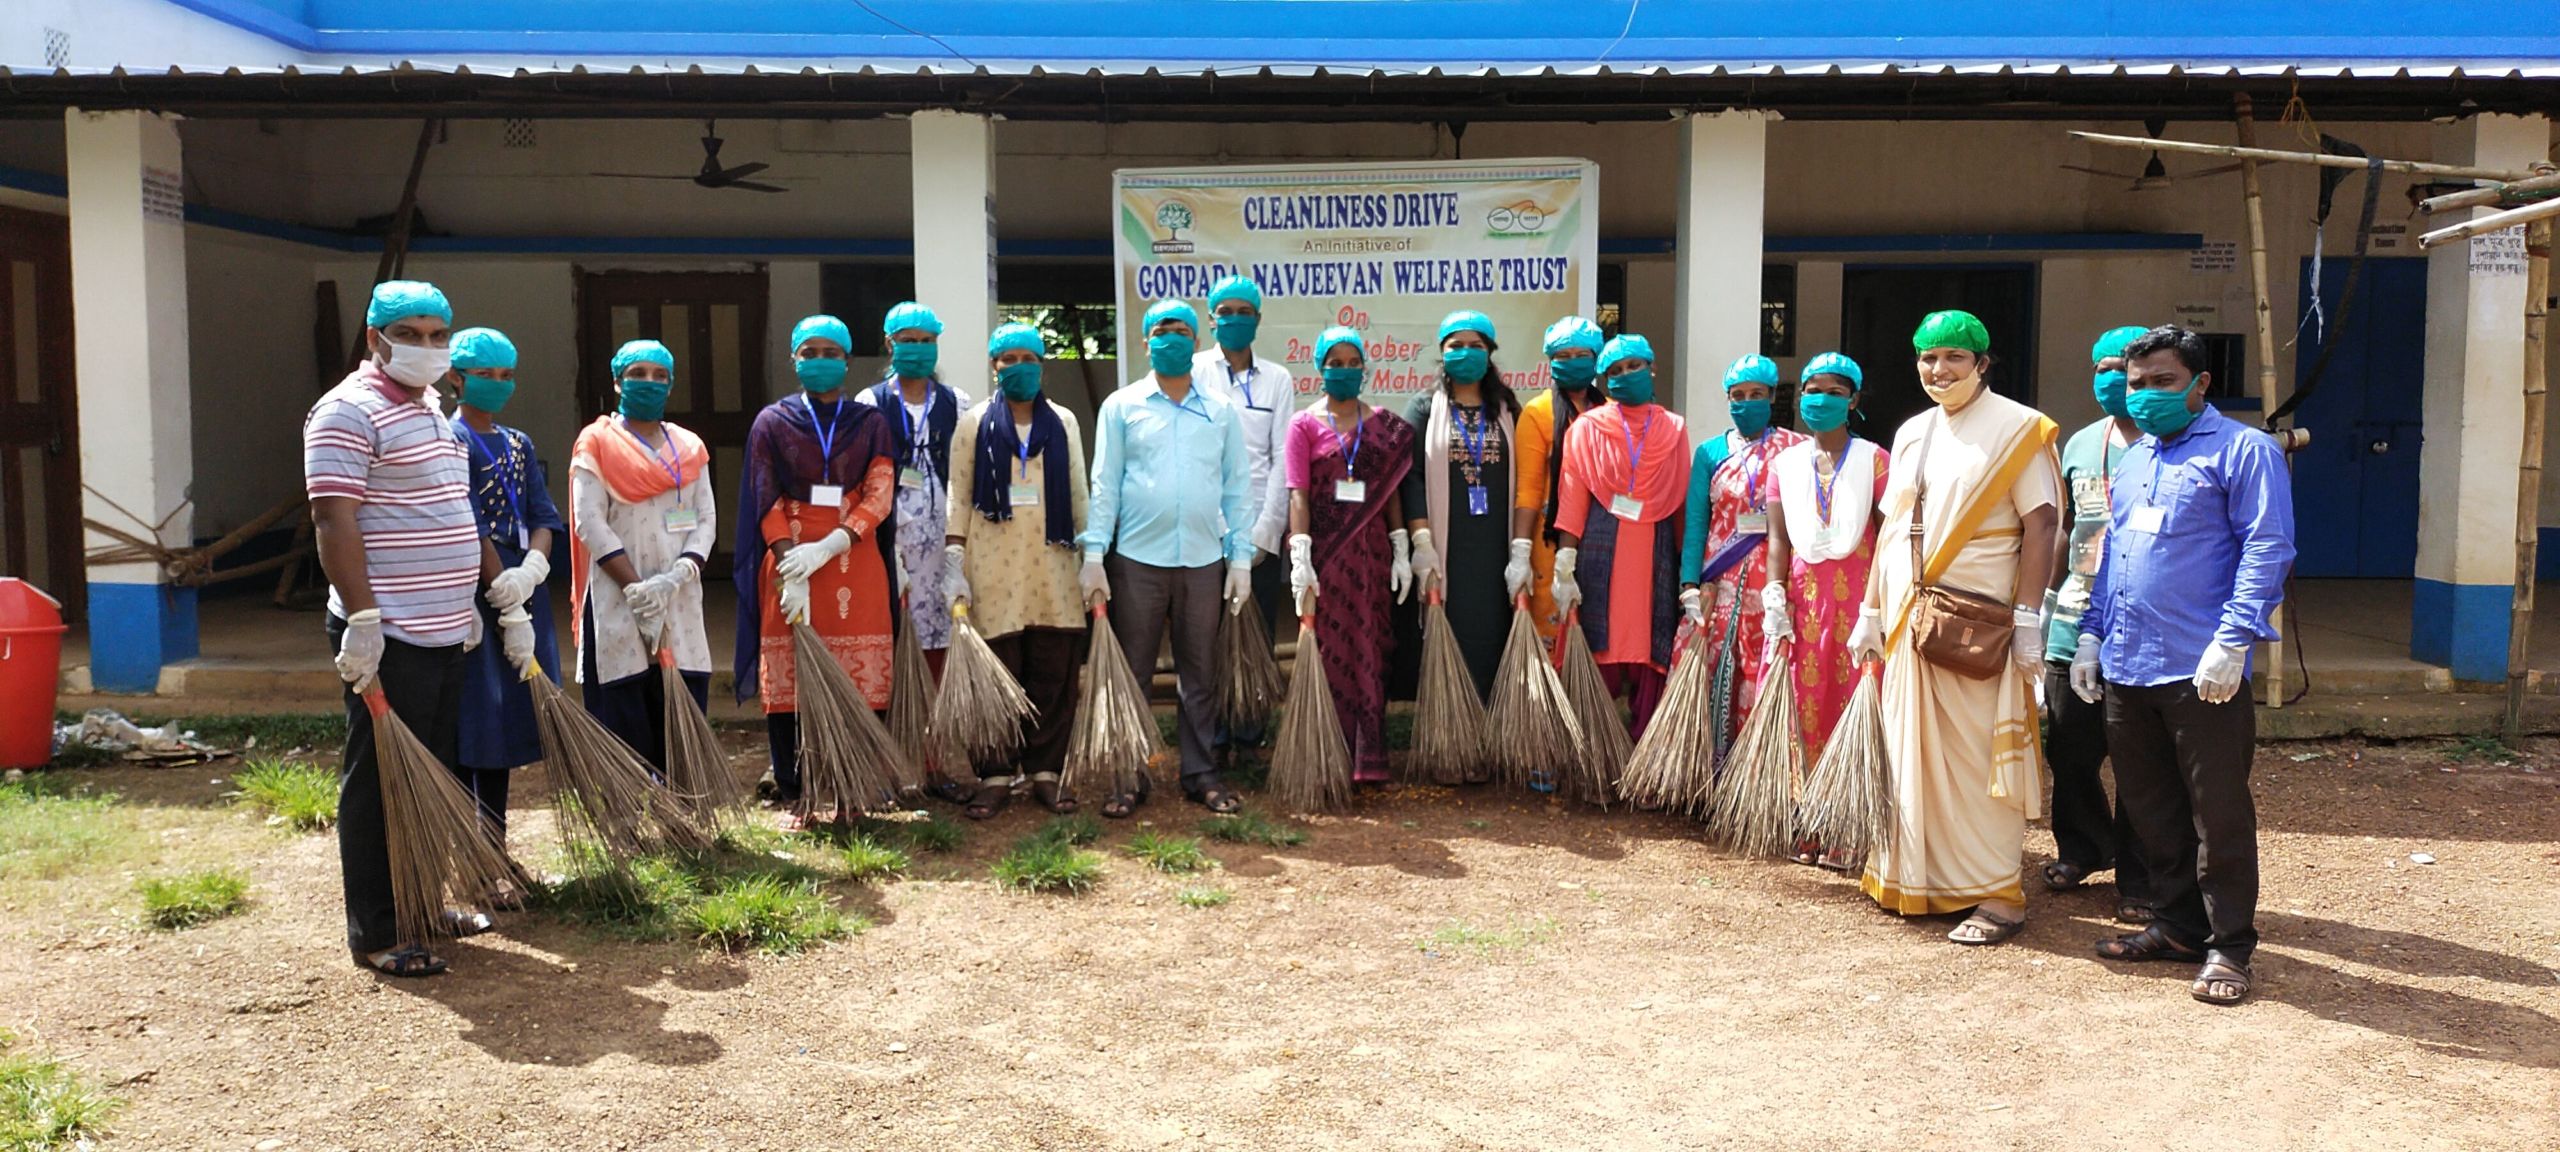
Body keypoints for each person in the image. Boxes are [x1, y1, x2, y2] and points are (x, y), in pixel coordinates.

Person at [2075, 324, 2295, 1007]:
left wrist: (2235, 641)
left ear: (2200, 384)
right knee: (2150, 809)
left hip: (2201, 667)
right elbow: (2110, 556)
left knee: (2218, 813)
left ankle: (2229, 946)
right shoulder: (2137, 458)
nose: (2144, 396)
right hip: (2128, 665)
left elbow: (2268, 548)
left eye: (2162, 383)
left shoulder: (2244, 451)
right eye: (2136, 385)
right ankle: (2175, 927)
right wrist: (2089, 634)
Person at [304, 279, 502, 978]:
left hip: (446, 628)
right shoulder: (345, 413)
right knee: (380, 782)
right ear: (374, 339)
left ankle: (424, 901)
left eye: (436, 335)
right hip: (389, 633)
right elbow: (334, 520)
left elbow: (453, 510)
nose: (425, 347)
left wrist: (480, 597)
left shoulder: (432, 408)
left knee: (435, 772)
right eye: (409, 334)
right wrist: (361, 619)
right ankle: (380, 931)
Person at [1847, 310, 2060, 946]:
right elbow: (1891, 527)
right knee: (1909, 749)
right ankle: (1918, 875)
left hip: (1977, 620)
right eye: (1928, 359)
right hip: (1910, 616)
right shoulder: (1912, 432)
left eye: (1954, 360)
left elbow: (2042, 524)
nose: (1939, 371)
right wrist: (1870, 609)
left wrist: (2028, 619)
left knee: (1976, 757)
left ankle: (1997, 893)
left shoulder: (2021, 429)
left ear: (1982, 364)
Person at [1082, 298, 1256, 816]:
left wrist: (1240, 556)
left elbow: (1237, 488)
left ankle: (1200, 773)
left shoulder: (1220, 410)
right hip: (1136, 559)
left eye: (1181, 330)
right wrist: (1095, 552)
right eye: (1161, 330)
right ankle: (1128, 777)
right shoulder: (1122, 405)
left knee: (1198, 675)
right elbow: (1105, 482)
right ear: (1144, 342)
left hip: (1204, 560)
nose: (1172, 337)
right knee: (1132, 674)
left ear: (1197, 342)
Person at [734, 314, 900, 818]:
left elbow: (882, 491)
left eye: (831, 353)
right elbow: (764, 498)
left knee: (863, 680)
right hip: (790, 562)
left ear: (847, 361)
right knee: (789, 687)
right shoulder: (772, 422)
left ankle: (858, 789)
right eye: (810, 352)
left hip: (855, 558)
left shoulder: (870, 423)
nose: (820, 361)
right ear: (794, 359)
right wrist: (791, 564)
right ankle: (797, 793)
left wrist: (833, 543)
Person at [944, 322, 1090, 819]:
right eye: (1010, 360)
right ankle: (995, 774)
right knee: (996, 670)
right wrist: (953, 561)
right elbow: (959, 493)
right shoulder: (973, 423)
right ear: (995, 366)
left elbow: (1077, 491)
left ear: (1042, 364)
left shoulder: (1064, 422)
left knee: (1054, 669)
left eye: (1031, 359)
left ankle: (1047, 771)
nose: (1021, 368)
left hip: (1053, 566)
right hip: (991, 568)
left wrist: (1092, 559)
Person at [2040, 325, 2156, 921]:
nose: (2111, 379)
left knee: (2139, 757)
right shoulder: (2080, 444)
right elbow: (2063, 525)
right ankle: (2085, 847)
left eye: (2124, 368)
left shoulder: (2169, 445)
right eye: (2101, 368)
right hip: (2075, 613)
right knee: (2068, 748)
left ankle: (2140, 878)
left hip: (2142, 618)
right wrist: (2045, 597)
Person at [566, 340, 717, 772]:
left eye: (659, 375)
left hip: (680, 597)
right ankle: (632, 820)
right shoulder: (595, 443)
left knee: (681, 701)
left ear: (671, 384)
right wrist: (636, 589)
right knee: (625, 706)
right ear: (617, 382)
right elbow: (588, 521)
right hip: (618, 597)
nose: (649, 382)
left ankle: (684, 811)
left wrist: (678, 575)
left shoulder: (689, 447)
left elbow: (705, 518)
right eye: (637, 374)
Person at [446, 326, 563, 879]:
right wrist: (503, 594)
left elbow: (542, 515)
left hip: (522, 585)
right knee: (480, 717)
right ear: (455, 377)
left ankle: (495, 843)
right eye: (483, 375)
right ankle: (474, 853)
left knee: (513, 717)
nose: (496, 385)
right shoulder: (449, 441)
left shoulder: (520, 443)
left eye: (505, 376)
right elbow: (470, 524)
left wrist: (533, 570)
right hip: (477, 590)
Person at [1764, 352, 1889, 868]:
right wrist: (1775, 598)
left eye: (1834, 391)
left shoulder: (1876, 460)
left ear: (1853, 400)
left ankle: (1851, 828)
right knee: (1803, 708)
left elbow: (1890, 535)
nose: (1820, 400)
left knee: (1855, 704)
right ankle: (1810, 821)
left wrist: (1877, 607)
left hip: (1860, 599)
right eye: (1812, 390)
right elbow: (1776, 539)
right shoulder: (1785, 463)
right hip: (1803, 599)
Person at [1285, 326, 1418, 785]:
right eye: (1334, 363)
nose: (1344, 370)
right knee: (1330, 655)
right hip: (1328, 562)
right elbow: (1298, 495)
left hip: (1373, 560)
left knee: (1372, 653)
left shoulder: (1385, 424)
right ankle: (1329, 758)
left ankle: (1369, 761)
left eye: (1352, 362)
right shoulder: (1303, 425)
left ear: (1365, 367)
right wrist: (1300, 554)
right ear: (1320, 368)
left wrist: (1401, 547)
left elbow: (1393, 494)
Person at [1551, 334, 1691, 741]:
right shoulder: (1587, 429)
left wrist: (1689, 576)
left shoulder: (1674, 429)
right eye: (1615, 371)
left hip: (1655, 553)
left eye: (1634, 366)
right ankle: (1593, 754)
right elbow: (1572, 497)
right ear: (1606, 381)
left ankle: (1647, 759)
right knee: (1597, 651)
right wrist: (1565, 565)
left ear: (1652, 368)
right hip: (1600, 554)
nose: (1626, 376)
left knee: (1652, 655)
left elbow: (1681, 500)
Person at [1680, 354, 1809, 754]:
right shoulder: (1708, 453)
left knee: (1764, 665)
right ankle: (1704, 765)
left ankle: (1754, 768)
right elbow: (1697, 520)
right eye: (1738, 395)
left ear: (1772, 398)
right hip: (1718, 580)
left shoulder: (1795, 448)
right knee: (1712, 665)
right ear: (1727, 399)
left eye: (1756, 394)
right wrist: (1689, 582)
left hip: (1771, 579)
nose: (1746, 402)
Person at [1191, 274, 1296, 754]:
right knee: (1205, 638)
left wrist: (1262, 534)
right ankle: (1209, 736)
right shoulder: (1192, 373)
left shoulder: (1278, 379)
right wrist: (1219, 534)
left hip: (1260, 536)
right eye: (1225, 312)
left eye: (1244, 312)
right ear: (1211, 318)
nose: (1234, 319)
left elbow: (1282, 461)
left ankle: (1250, 733)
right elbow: (1191, 457)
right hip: (1204, 535)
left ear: (1258, 318)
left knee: (1258, 634)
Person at [1401, 310, 1520, 709]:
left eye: (1475, 346)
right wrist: (1421, 542)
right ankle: (1454, 735)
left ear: (1490, 354)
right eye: (1456, 346)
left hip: (1495, 545)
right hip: (1446, 544)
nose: (1465, 353)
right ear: (1442, 353)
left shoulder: (1507, 408)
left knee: (1495, 631)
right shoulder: (1422, 408)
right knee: (1452, 630)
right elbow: (1412, 477)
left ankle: (1493, 729)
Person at [855, 301, 971, 681]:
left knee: (947, 617)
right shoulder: (871, 404)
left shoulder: (957, 402)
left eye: (927, 340)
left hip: (944, 535)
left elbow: (966, 474)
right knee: (896, 619)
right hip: (891, 533)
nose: (918, 348)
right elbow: (863, 476)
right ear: (890, 344)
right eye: (908, 340)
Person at [1513, 316, 1608, 643]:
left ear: (1596, 359)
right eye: (1562, 357)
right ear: (1550, 361)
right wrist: (1520, 553)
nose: (1572, 363)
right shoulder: (1538, 412)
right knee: (1550, 621)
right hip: (1548, 540)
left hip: (1601, 536)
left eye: (1581, 355)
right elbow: (1527, 489)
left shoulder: (1610, 413)